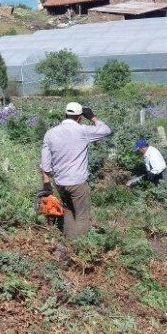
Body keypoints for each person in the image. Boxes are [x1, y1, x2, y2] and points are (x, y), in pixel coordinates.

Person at [39, 102, 112, 238]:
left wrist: (46, 183)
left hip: (60, 182)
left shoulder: (50, 133)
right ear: (80, 117)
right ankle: (77, 247)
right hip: (77, 182)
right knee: (82, 216)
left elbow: (45, 162)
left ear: (65, 114)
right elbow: (106, 130)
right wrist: (93, 118)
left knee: (67, 210)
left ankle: (68, 241)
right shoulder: (83, 131)